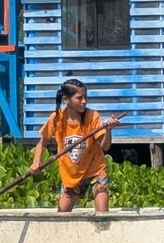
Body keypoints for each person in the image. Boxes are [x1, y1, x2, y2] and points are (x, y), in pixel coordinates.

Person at [29, 77, 120, 212]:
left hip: (95, 171)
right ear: (66, 100)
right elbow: (42, 143)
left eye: (85, 97)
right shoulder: (56, 118)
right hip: (71, 175)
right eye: (79, 98)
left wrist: (108, 130)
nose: (84, 101)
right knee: (62, 215)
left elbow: (105, 147)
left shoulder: (93, 116)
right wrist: (36, 162)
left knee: (102, 212)